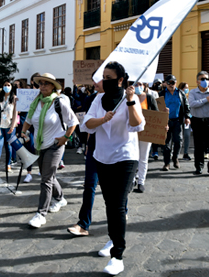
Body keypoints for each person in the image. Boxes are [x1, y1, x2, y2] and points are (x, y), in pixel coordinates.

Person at [81, 61, 145, 276]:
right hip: (102, 156)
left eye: (109, 77)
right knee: (110, 204)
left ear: (120, 80)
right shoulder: (98, 99)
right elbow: (86, 124)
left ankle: (118, 255)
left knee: (118, 204)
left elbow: (137, 125)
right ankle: (113, 238)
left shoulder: (130, 99)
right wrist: (101, 119)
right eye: (103, 77)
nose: (104, 81)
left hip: (125, 158)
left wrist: (129, 101)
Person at [21, 73, 78, 228]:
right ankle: (60, 198)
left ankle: (41, 213)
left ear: (53, 86)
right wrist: (23, 132)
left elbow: (73, 122)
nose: (43, 86)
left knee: (45, 179)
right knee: (49, 176)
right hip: (40, 145)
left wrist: (66, 138)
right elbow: (28, 120)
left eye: (46, 83)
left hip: (56, 145)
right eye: (41, 83)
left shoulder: (59, 102)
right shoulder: (36, 102)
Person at [67, 74, 104, 237]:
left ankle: (122, 209)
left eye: (100, 79)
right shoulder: (92, 100)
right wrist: (88, 144)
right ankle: (83, 223)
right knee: (89, 184)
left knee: (114, 187)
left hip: (114, 149)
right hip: (95, 146)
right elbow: (88, 124)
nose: (94, 83)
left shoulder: (123, 99)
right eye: (94, 79)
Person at [188, 71, 209, 177]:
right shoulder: (193, 92)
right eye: (202, 79)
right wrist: (205, 100)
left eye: (206, 79)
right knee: (199, 145)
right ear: (197, 81)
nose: (205, 81)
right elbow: (192, 104)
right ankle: (199, 166)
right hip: (198, 121)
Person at [160, 74, 191, 171]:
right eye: (168, 83)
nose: (170, 85)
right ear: (165, 83)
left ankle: (175, 158)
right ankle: (167, 163)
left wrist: (187, 117)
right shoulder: (161, 94)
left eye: (172, 82)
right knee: (166, 142)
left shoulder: (180, 93)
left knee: (178, 141)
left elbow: (186, 106)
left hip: (178, 121)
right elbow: (156, 107)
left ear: (176, 83)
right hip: (166, 121)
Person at [133, 81, 159, 193]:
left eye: (140, 84)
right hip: (132, 132)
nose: (138, 87)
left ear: (144, 86)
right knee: (132, 157)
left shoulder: (149, 97)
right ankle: (132, 179)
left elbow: (156, 115)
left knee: (143, 158)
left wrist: (162, 126)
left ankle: (141, 182)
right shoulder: (129, 98)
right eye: (135, 84)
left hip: (146, 132)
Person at [178, 82, 192, 161]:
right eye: (185, 88)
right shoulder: (177, 96)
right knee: (177, 137)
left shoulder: (189, 97)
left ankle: (185, 153)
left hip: (187, 119)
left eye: (187, 88)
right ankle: (174, 153)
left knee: (187, 135)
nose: (186, 89)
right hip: (179, 118)